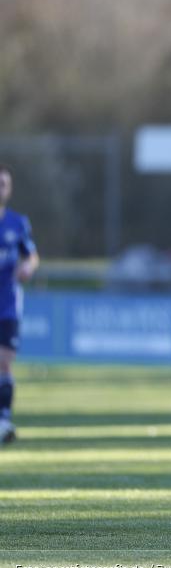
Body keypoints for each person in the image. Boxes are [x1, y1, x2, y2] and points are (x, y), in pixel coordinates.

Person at [0, 164, 40, 446]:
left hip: (8, 305)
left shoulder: (18, 223)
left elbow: (32, 256)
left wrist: (28, 267)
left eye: (4, 183)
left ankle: (3, 419)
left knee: (4, 363)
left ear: (9, 189)